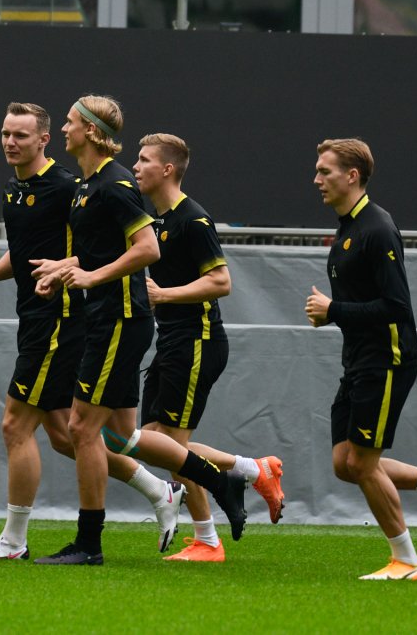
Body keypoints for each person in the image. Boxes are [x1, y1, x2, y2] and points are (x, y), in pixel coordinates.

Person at [28, 96, 282, 566]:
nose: (62, 129)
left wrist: (91, 278)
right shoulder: (89, 185)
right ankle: (224, 478)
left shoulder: (116, 184)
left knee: (81, 428)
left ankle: (90, 544)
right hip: (124, 320)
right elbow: (106, 251)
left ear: (89, 128)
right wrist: (63, 267)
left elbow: (147, 250)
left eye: (68, 122)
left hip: (123, 321)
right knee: (124, 437)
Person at [0, 103, 186, 561]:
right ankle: (160, 490)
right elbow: (23, 255)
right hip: (35, 316)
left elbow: (102, 248)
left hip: (61, 321)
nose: (9, 142)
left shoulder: (69, 187)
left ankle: (13, 541)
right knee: (66, 436)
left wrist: (87, 278)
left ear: (43, 141)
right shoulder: (13, 189)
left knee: (15, 423)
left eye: (21, 135)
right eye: (5, 133)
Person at [305, 138, 417, 581]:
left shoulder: (376, 228)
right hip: (359, 359)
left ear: (352, 176)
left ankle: (407, 560)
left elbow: (397, 306)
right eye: (317, 170)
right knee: (345, 464)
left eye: (325, 171)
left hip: (387, 360)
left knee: (362, 465)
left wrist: (334, 311)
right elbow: (362, 303)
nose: (317, 180)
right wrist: (333, 315)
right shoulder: (347, 229)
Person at [133, 133, 275, 562]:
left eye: (143, 160)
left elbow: (221, 282)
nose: (135, 167)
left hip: (198, 340)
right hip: (173, 341)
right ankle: (251, 469)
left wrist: (164, 295)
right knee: (151, 440)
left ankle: (209, 541)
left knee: (172, 448)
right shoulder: (154, 221)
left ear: (167, 169)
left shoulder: (193, 220)